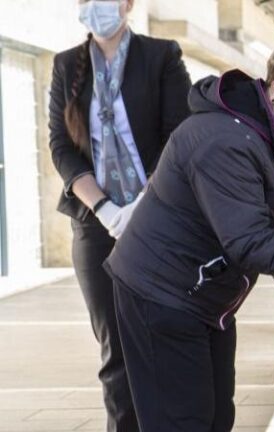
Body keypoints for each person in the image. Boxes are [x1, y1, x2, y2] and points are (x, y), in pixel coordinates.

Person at [104, 40, 274, 431]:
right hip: (162, 293)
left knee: (214, 417)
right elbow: (248, 241)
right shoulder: (223, 139)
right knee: (181, 420)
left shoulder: (263, 132)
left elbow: (251, 221)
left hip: (202, 296)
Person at [47, 0, 191, 430]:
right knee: (115, 350)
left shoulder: (162, 56)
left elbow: (178, 135)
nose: (95, 6)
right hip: (96, 221)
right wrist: (106, 208)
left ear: (128, 4)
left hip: (156, 216)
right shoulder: (65, 65)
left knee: (161, 339)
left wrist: (141, 206)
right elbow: (61, 146)